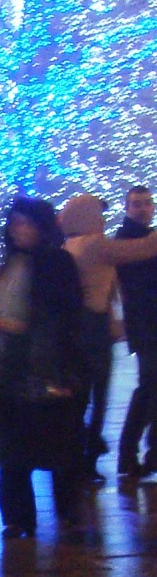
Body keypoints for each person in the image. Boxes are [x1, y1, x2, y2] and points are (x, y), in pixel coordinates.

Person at [0, 197, 86, 538]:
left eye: (27, 224)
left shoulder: (56, 263)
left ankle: (67, 511)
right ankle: (17, 517)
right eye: (15, 223)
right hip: (8, 367)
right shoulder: (9, 264)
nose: (19, 230)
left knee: (56, 444)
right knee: (11, 448)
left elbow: (64, 318)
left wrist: (19, 329)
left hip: (44, 366)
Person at [56, 194, 157, 483]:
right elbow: (144, 248)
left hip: (83, 325)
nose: (102, 220)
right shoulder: (93, 245)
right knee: (98, 396)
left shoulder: (70, 245)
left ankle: (83, 454)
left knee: (83, 396)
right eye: (97, 215)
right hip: (93, 327)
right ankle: (88, 457)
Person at [115, 185, 157, 485]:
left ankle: (141, 454)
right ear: (128, 209)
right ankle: (130, 453)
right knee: (148, 388)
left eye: (146, 203)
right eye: (136, 204)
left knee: (150, 389)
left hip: (146, 325)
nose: (143, 209)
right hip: (146, 325)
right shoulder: (127, 242)